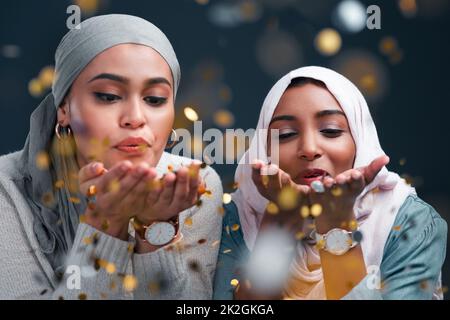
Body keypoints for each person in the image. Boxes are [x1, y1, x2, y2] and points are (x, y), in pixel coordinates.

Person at [0, 14, 223, 299]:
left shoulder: (194, 183)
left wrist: (157, 229)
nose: (135, 118)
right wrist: (105, 225)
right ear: (64, 109)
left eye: (155, 99)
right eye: (108, 96)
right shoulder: (7, 191)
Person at [213, 66, 447, 300]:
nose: (309, 149)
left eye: (331, 130)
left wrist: (336, 222)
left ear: (359, 139)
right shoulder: (240, 216)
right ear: (264, 149)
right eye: (285, 134)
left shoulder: (409, 221)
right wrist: (282, 215)